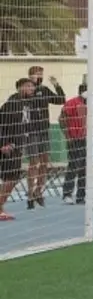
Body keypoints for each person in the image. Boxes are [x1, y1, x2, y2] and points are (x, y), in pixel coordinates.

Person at [21, 65, 65, 209]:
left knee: (44, 162)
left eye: (41, 74)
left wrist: (57, 85)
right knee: (34, 162)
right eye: (36, 74)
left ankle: (39, 191)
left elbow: (60, 100)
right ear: (30, 76)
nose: (39, 77)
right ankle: (29, 194)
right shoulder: (26, 90)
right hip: (31, 131)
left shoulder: (44, 89)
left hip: (44, 130)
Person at [0, 82, 30, 221]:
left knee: (13, 178)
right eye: (28, 86)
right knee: (10, 178)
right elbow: (3, 124)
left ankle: (1, 208)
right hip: (9, 147)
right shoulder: (11, 104)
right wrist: (4, 144)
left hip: (17, 146)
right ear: (20, 87)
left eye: (32, 86)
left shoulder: (25, 104)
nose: (31, 88)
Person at [59, 81, 89, 205]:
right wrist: (68, 136)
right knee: (73, 166)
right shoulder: (72, 103)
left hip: (88, 139)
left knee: (85, 169)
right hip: (75, 138)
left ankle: (81, 196)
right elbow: (61, 119)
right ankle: (67, 194)